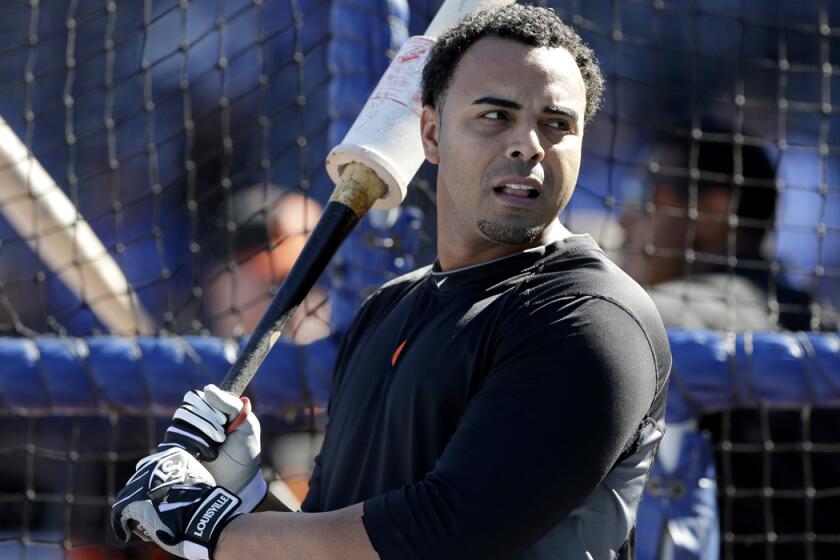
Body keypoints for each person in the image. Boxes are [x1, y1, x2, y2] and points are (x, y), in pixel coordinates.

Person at [110, 6, 671, 559]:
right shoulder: (388, 308)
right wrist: (246, 494)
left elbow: (445, 534)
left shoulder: (590, 318)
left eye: (556, 124)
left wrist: (214, 529)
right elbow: (333, 531)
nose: (528, 143)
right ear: (430, 133)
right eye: (495, 115)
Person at [619, 125, 837, 332]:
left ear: (710, 212)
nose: (623, 220)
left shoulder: (646, 323)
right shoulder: (822, 322)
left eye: (640, 196)